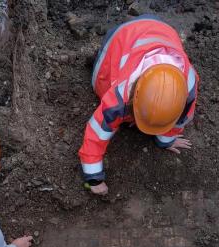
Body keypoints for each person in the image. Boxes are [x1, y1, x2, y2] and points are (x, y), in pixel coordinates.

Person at [79, 14, 199, 195]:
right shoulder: (119, 96)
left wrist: (166, 140)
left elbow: (179, 119)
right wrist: (94, 177)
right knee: (100, 81)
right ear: (133, 99)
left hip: (162, 30)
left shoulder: (187, 90)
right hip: (122, 37)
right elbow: (97, 131)